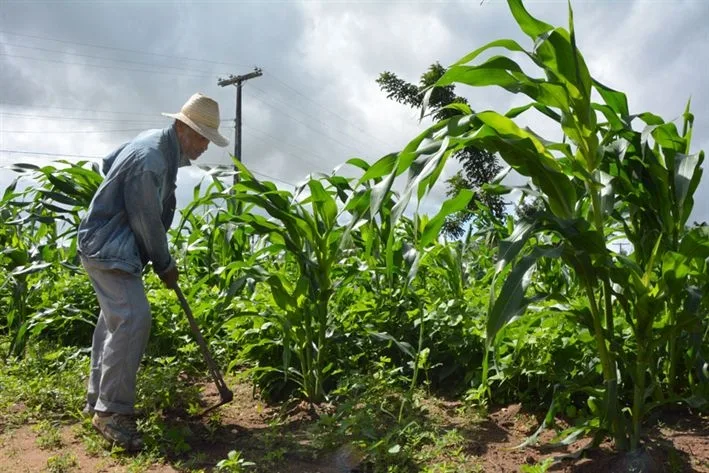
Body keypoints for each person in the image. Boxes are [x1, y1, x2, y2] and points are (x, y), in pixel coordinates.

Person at [77, 93, 229, 450]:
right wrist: (165, 264)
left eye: (208, 138)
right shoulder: (152, 161)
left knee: (114, 320)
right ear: (182, 127)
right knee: (133, 318)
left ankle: (97, 402)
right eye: (202, 136)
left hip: (104, 241)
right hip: (109, 247)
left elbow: (107, 162)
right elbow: (146, 221)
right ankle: (112, 414)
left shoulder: (153, 143)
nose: (206, 145)